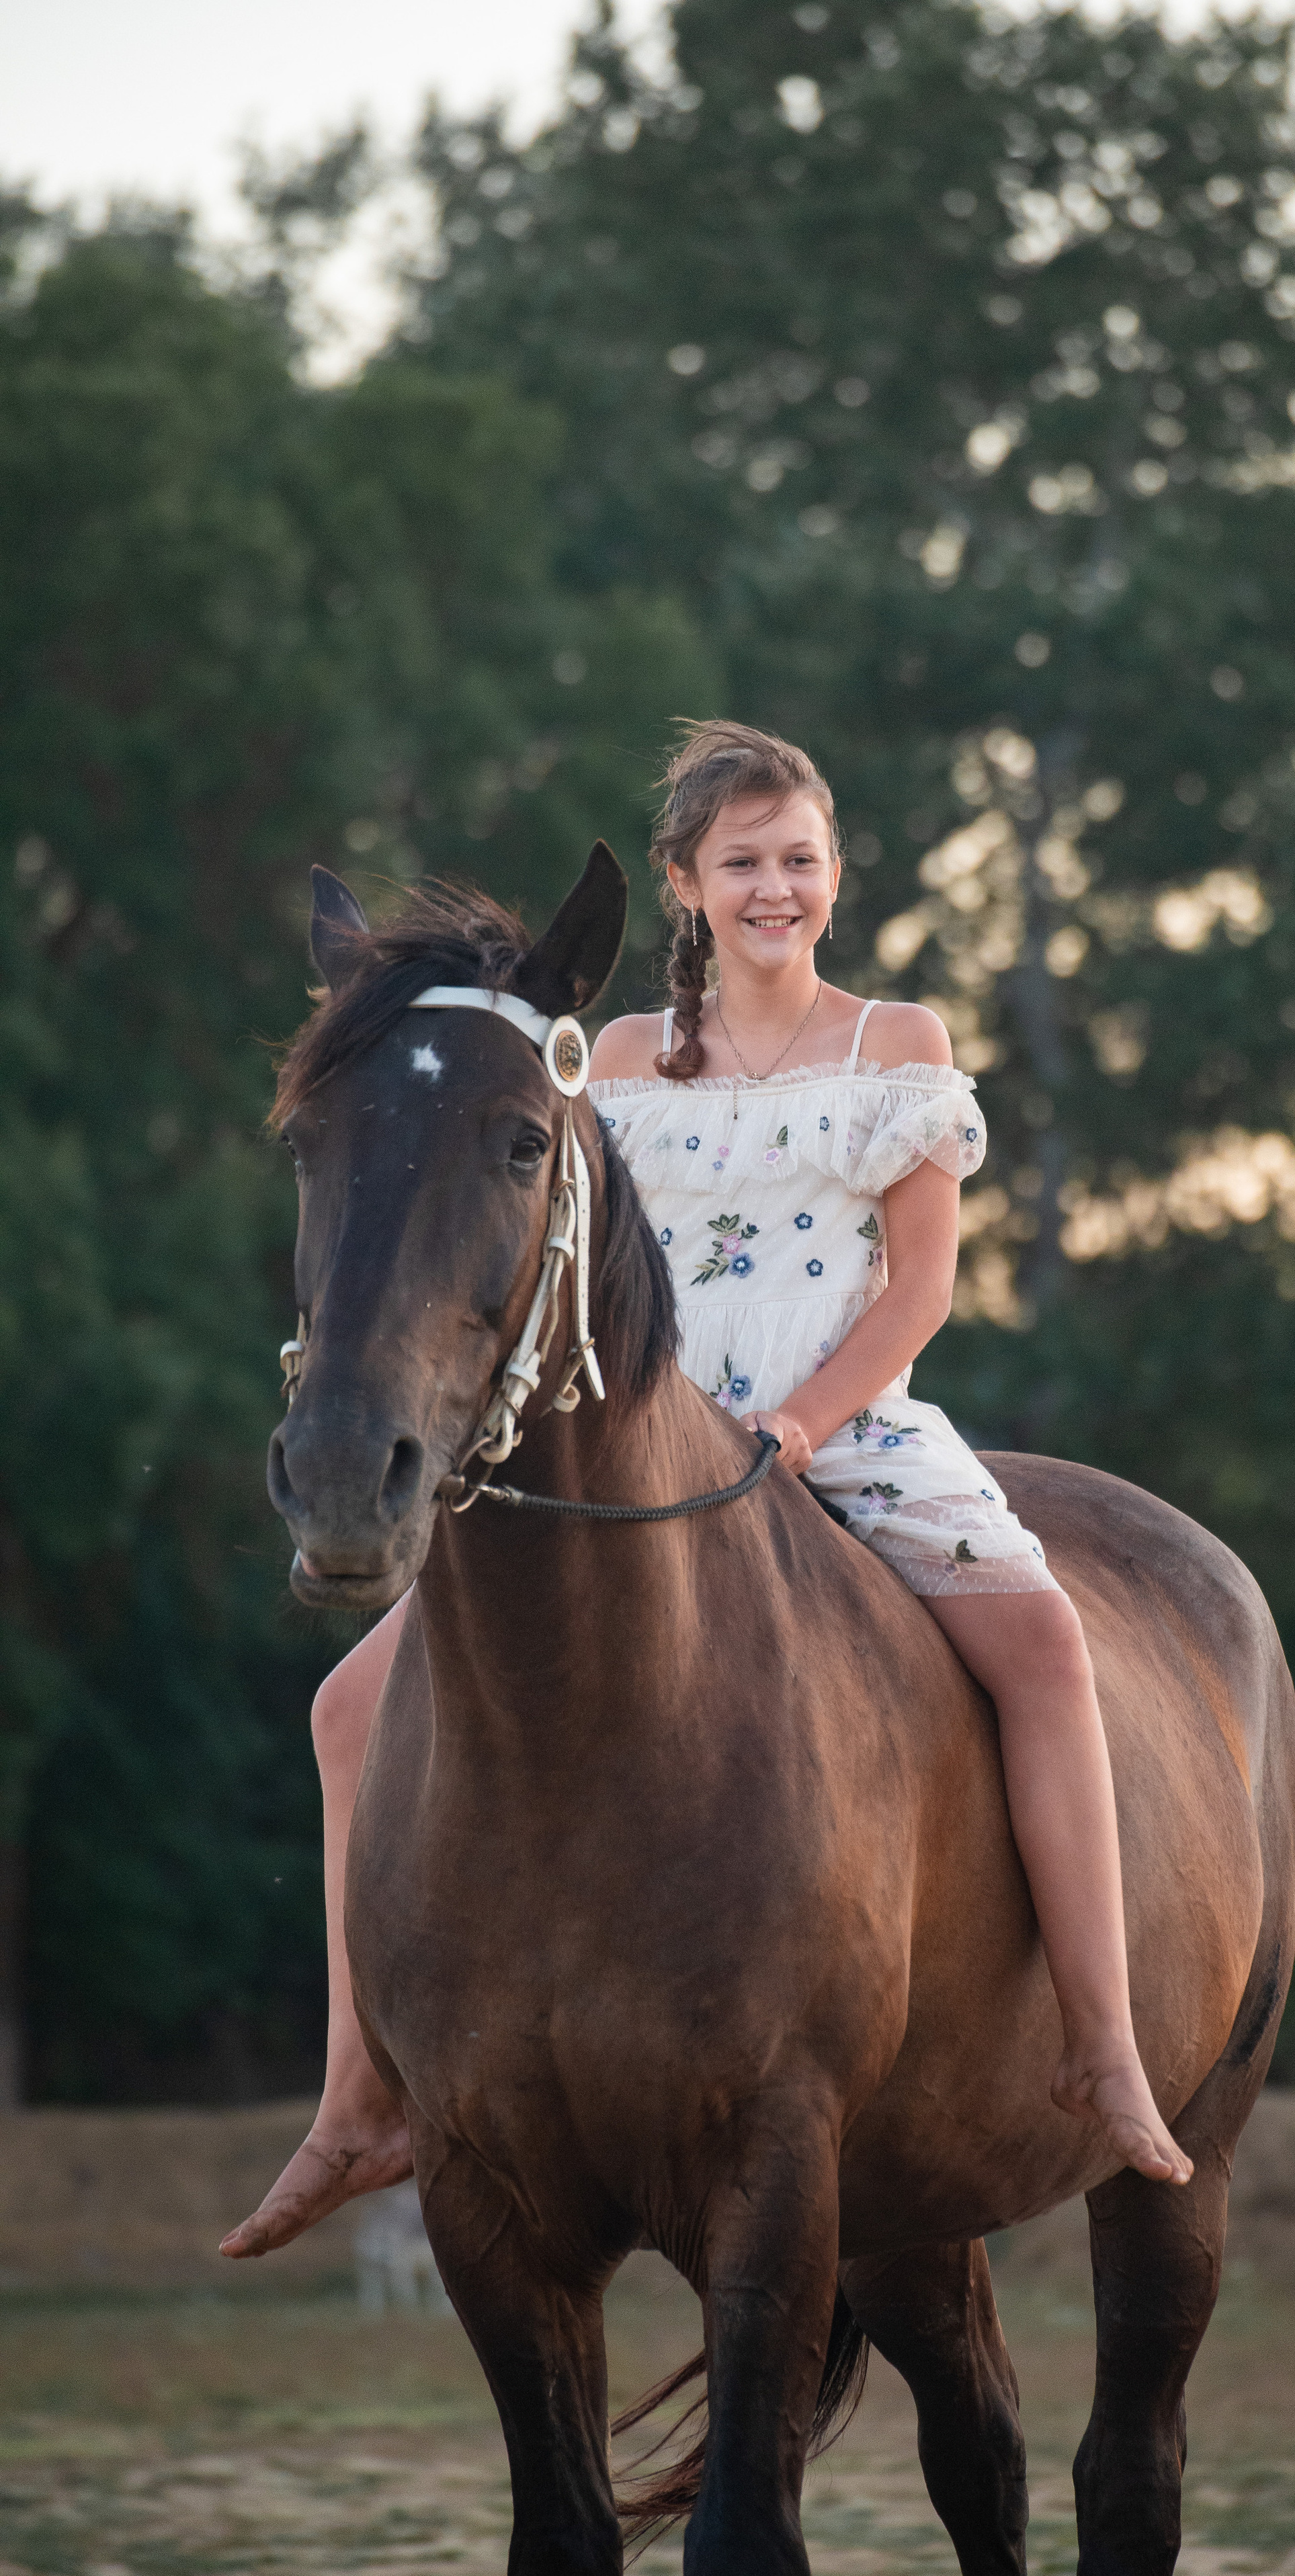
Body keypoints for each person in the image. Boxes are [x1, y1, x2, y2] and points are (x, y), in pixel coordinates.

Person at [222, 721, 1190, 2262]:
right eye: (741, 862)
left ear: (832, 876)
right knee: (349, 1710)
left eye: (798, 859)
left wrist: (800, 1429)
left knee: (1048, 1646)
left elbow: (919, 1294)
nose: (774, 888)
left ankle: (1101, 2043)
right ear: (681, 883)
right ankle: (359, 2098)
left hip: (844, 1427)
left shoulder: (900, 1050)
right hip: (651, 1439)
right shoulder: (605, 1069)